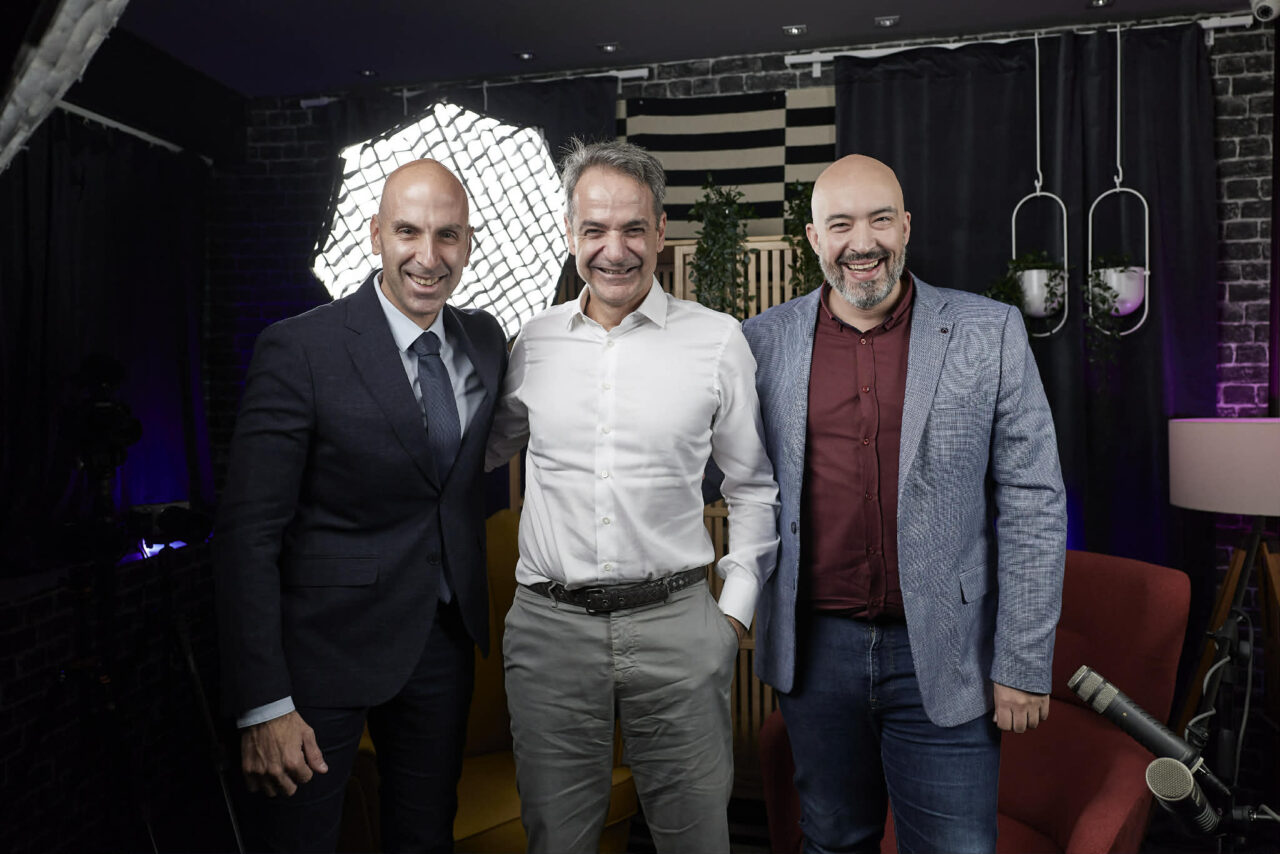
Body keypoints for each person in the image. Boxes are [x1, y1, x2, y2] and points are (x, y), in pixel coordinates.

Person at [742, 154, 1066, 854]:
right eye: (841, 225)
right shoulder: (760, 342)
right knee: (832, 840)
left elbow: (1035, 500)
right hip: (814, 653)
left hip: (949, 651)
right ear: (813, 238)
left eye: (880, 220)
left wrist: (1021, 660)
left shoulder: (989, 331)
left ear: (907, 226)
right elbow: (734, 479)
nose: (863, 243)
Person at [485, 139, 779, 854]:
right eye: (594, 230)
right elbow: (479, 453)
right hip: (550, 635)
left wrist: (731, 619)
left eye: (633, 229)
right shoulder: (532, 343)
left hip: (678, 628)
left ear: (661, 231)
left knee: (696, 841)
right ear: (569, 234)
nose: (613, 251)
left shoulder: (717, 342)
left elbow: (752, 487)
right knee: (557, 842)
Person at [214, 159, 507, 852]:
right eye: (408, 232)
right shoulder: (301, 348)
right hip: (320, 655)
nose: (428, 256)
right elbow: (246, 534)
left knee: (424, 837)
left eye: (447, 235)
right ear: (376, 235)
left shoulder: (486, 341)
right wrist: (263, 702)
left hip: (441, 641)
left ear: (468, 244)